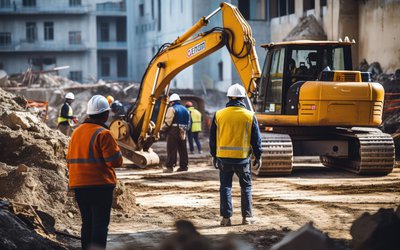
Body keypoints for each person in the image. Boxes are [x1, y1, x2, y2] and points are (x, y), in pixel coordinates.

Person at [67, 95, 123, 250]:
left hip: (79, 185)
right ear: (105, 114)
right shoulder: (103, 134)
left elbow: (68, 159)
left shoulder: (76, 133)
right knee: (99, 225)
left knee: (87, 224)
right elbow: (115, 161)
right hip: (100, 186)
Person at [209, 83, 262, 226]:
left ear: (228, 97)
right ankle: (247, 217)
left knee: (225, 187)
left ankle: (226, 218)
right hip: (242, 160)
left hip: (223, 159)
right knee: (246, 187)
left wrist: (214, 155)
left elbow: (212, 138)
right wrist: (258, 156)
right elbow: (256, 139)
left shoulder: (219, 114)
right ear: (243, 98)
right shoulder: (250, 116)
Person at [160, 93, 190, 173]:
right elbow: (189, 122)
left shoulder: (172, 108)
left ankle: (169, 167)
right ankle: (184, 166)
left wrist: (161, 130)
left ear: (172, 102)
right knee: (183, 149)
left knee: (172, 149)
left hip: (174, 130)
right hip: (183, 130)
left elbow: (168, 122)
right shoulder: (185, 109)